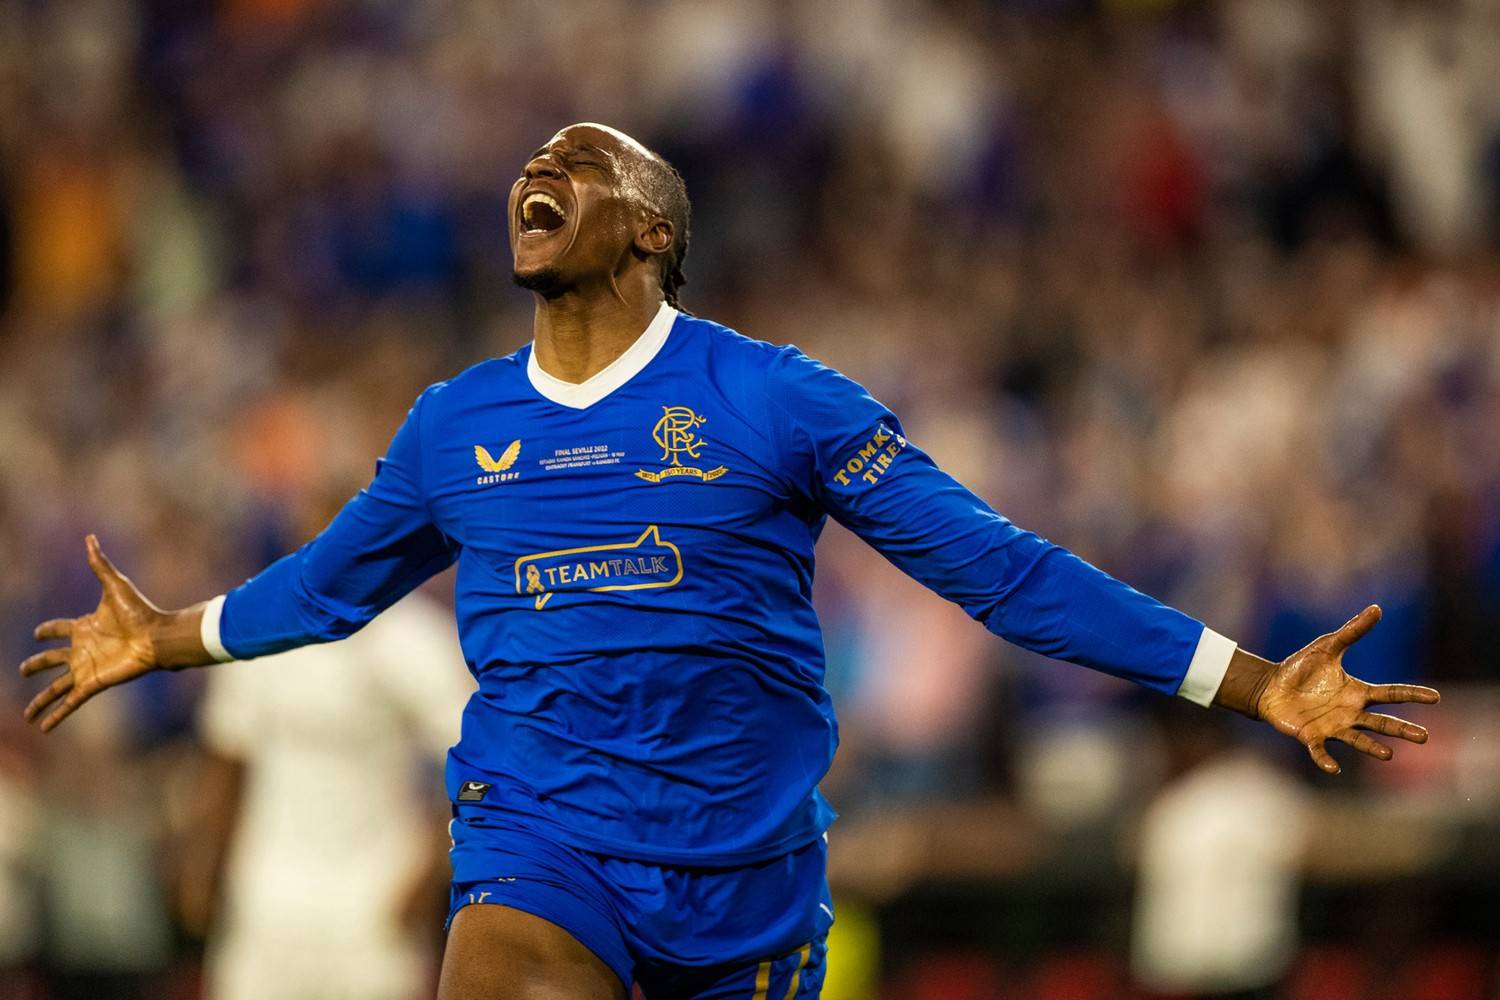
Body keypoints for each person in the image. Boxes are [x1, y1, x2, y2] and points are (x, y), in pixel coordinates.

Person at [19, 123, 1440, 1000]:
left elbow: (1000, 572)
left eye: (582, 163)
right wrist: (169, 634)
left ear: (653, 231)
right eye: (532, 162)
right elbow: (329, 584)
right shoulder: (454, 426)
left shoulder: (778, 400)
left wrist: (1250, 681)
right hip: (539, 846)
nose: (539, 170)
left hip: (743, 870)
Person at [180, 589, 471, 1000]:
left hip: (376, 907)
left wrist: (433, 870)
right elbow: (228, 758)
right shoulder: (256, 626)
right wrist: (203, 862)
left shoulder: (414, 638)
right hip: (264, 901)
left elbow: (478, 762)